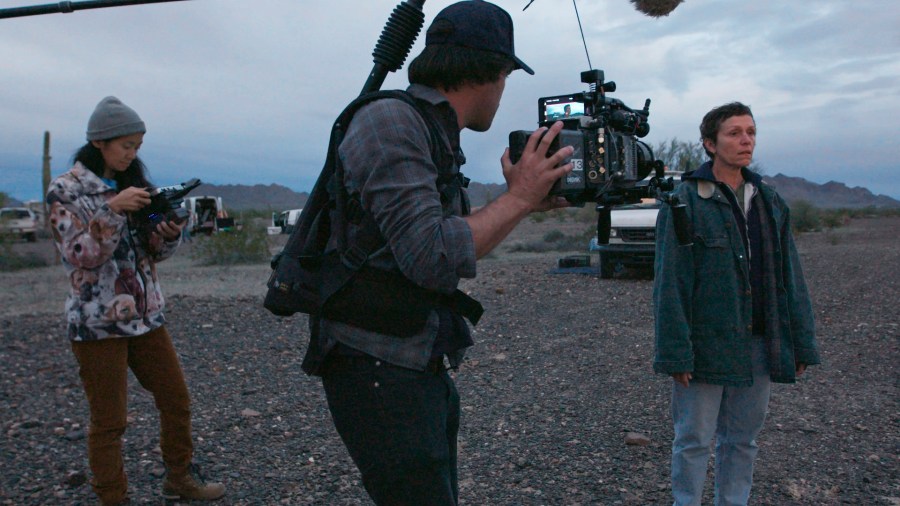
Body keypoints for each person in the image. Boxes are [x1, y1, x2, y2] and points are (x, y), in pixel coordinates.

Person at [299, 1, 574, 504]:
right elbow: (431, 256)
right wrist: (516, 198)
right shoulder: (393, 122)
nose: (503, 91)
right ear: (491, 70)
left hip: (413, 354)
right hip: (377, 363)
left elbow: (448, 243)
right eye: (507, 77)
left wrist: (522, 205)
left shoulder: (430, 128)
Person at [46, 96, 225, 505]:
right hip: (96, 325)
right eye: (126, 145)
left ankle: (179, 478)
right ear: (100, 142)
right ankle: (113, 498)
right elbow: (80, 256)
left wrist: (167, 233)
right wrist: (111, 211)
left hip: (146, 320)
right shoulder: (66, 189)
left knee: (176, 401)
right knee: (109, 422)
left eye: (137, 146)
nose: (132, 154)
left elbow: (153, 254)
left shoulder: (136, 186)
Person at [652, 101, 821, 506]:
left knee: (742, 440)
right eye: (734, 133)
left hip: (759, 342)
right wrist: (676, 352)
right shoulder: (685, 202)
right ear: (710, 143)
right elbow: (670, 284)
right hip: (706, 344)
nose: (745, 140)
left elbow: (789, 277)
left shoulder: (768, 200)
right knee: (693, 439)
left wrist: (800, 342)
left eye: (751, 132)